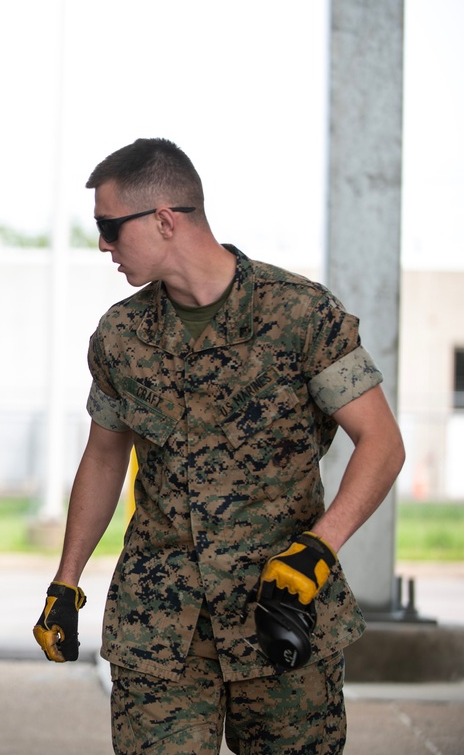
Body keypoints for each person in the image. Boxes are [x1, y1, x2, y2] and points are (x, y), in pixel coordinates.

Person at [32, 138, 405, 754]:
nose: (102, 244)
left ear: (163, 220)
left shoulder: (300, 315)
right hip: (160, 626)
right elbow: (103, 457)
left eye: (108, 227)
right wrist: (65, 583)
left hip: (280, 608)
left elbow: (382, 443)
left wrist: (320, 549)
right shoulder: (121, 336)